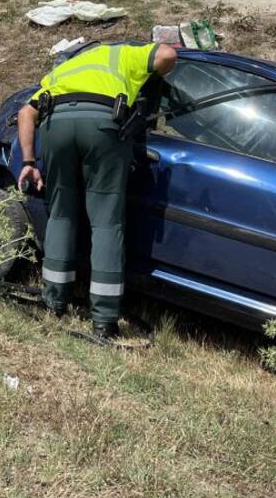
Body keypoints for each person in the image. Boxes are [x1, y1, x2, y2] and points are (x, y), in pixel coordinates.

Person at [17, 40, 177, 343]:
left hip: (56, 127)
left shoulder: (66, 68)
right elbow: (168, 54)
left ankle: (54, 303)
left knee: (61, 215)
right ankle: (104, 320)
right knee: (106, 222)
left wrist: (28, 161)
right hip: (103, 126)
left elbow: (27, 113)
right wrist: (157, 75)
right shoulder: (126, 55)